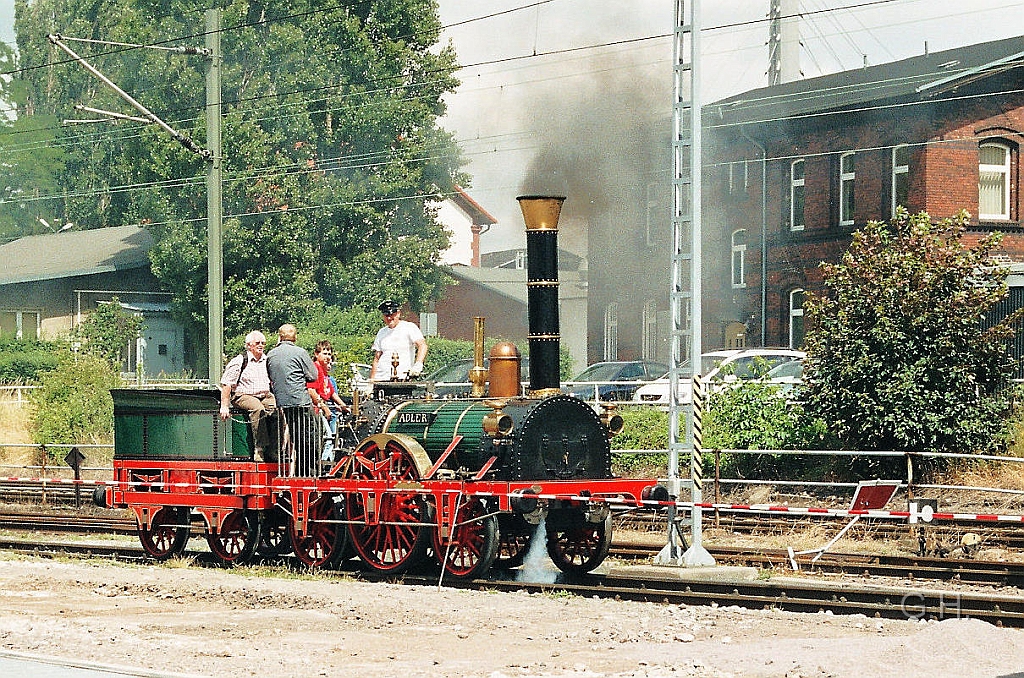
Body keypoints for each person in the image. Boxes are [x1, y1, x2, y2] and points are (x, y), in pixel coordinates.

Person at [266, 324, 319, 475]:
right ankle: (309, 471)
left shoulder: (271, 355)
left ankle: (300, 471)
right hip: (300, 401)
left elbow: (271, 376)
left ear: (280, 337)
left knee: (296, 437)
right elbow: (313, 376)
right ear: (295, 337)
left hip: (283, 402)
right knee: (312, 436)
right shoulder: (300, 352)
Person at [218, 330, 276, 462]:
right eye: (257, 343)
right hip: (242, 395)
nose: (261, 345)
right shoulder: (239, 361)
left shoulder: (267, 360)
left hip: (264, 395)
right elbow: (226, 384)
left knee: (278, 410)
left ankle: (274, 449)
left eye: (263, 343)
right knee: (258, 409)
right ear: (249, 345)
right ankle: (259, 449)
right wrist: (224, 406)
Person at [306, 340, 349, 462]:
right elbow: (311, 391)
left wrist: (344, 406)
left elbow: (332, 393)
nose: (328, 357)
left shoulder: (324, 371)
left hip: (327, 408)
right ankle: (324, 464)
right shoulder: (314, 368)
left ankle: (330, 463)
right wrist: (325, 408)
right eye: (324, 353)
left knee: (334, 438)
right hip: (318, 408)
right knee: (328, 438)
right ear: (316, 354)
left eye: (329, 354)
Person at [371, 299, 428, 382]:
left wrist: (418, 364)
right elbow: (376, 359)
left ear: (398, 313)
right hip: (381, 379)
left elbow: (422, 345)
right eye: (386, 315)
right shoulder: (381, 332)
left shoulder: (409, 327)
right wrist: (371, 381)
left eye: (392, 314)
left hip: (402, 379)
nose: (389, 318)